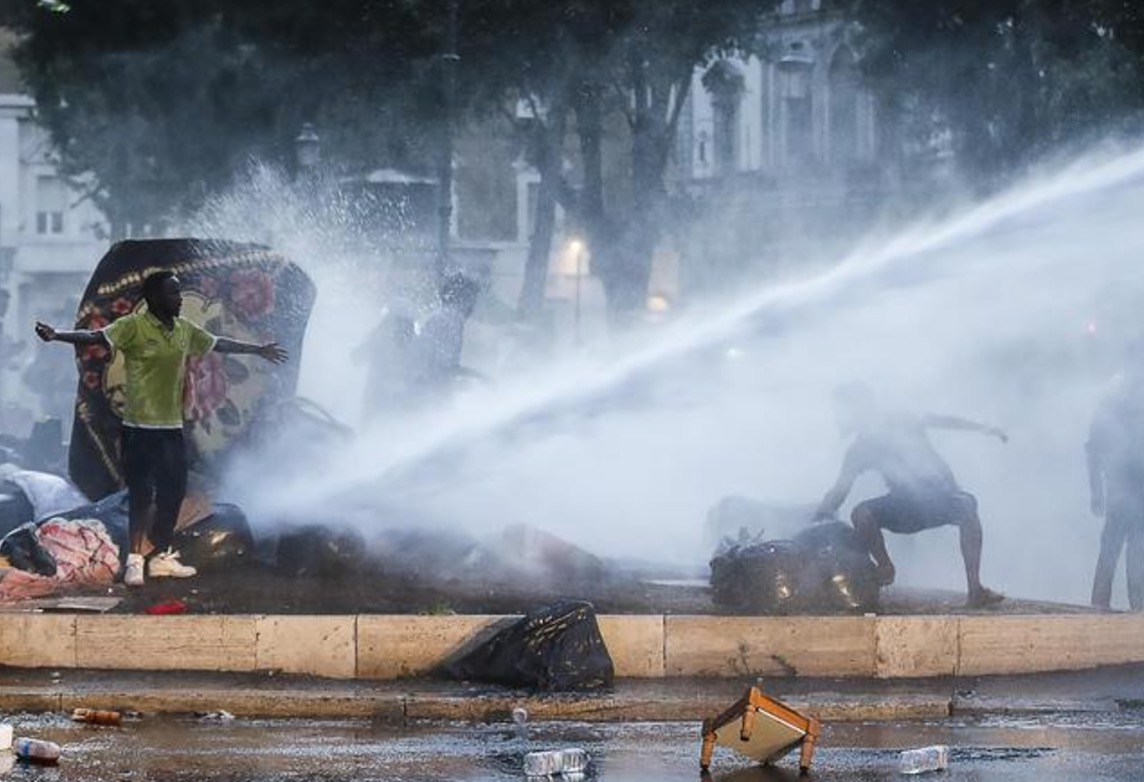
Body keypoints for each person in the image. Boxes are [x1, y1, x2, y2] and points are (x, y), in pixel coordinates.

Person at [33, 271, 287, 586]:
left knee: (173, 493)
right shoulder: (133, 326)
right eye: (172, 294)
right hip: (139, 429)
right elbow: (96, 337)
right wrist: (56, 335)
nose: (178, 299)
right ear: (155, 298)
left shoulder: (183, 330)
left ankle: (161, 556)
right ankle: (136, 562)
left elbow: (217, 343)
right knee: (141, 494)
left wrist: (255, 350)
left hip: (171, 429)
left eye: (179, 294)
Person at [814, 382, 1007, 608]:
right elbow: (839, 491)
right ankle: (885, 567)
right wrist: (818, 515)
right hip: (903, 506)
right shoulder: (859, 450)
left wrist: (983, 427)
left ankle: (976, 590)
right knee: (861, 514)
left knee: (966, 505)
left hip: (939, 498)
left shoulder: (902, 419)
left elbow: (940, 420)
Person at [1087, 366, 1144, 611]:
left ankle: (1138, 606)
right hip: (1120, 490)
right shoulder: (1105, 417)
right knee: (1112, 545)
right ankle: (1100, 603)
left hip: (1138, 488)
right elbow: (1092, 454)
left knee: (1138, 549)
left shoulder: (1136, 412)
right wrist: (1096, 492)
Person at [413, 274, 484, 394]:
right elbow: (446, 368)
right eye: (473, 299)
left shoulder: (441, 316)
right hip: (430, 394)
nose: (474, 306)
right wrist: (480, 377)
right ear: (462, 298)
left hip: (424, 388)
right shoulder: (451, 320)